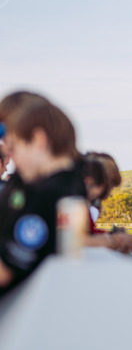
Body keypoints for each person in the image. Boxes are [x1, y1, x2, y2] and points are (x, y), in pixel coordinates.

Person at [0, 91, 86, 294]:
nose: (13, 160)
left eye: (14, 149)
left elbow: (5, 270)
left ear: (38, 139)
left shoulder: (49, 193)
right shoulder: (68, 183)